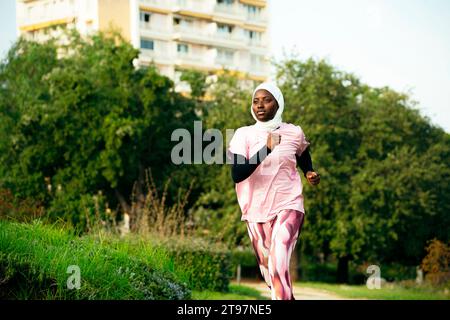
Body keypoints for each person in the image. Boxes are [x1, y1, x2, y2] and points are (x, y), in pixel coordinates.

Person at [227, 82, 320, 300]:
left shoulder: (294, 132)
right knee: (270, 275)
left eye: (266, 100)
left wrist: (309, 172)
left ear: (278, 104)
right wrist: (267, 149)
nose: (260, 105)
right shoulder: (243, 135)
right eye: (256, 101)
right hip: (255, 210)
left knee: (279, 261)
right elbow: (237, 174)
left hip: (289, 204)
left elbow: (302, 153)